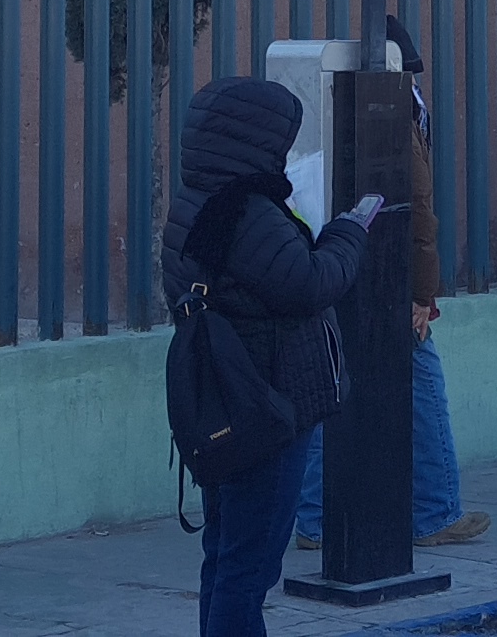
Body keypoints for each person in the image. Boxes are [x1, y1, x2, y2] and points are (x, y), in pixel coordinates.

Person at [162, 76, 376, 637]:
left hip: (223, 403)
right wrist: (349, 232)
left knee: (225, 553)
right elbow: (310, 283)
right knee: (249, 566)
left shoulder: (196, 201)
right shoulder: (248, 213)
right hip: (270, 406)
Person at [293, 15, 487, 553]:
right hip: (387, 282)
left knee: (328, 385)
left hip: (334, 269)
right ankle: (434, 511)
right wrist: (423, 295)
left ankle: (312, 518)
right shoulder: (400, 114)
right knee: (424, 387)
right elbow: (418, 213)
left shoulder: (336, 108)